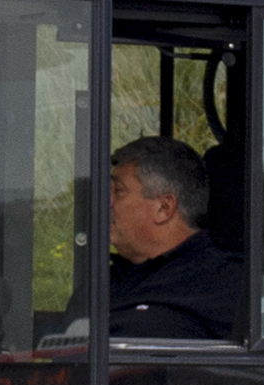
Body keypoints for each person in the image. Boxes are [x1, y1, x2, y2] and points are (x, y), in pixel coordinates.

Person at [99, 137, 251, 341]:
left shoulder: (225, 285)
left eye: (118, 191)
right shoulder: (108, 278)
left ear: (164, 207)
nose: (106, 202)